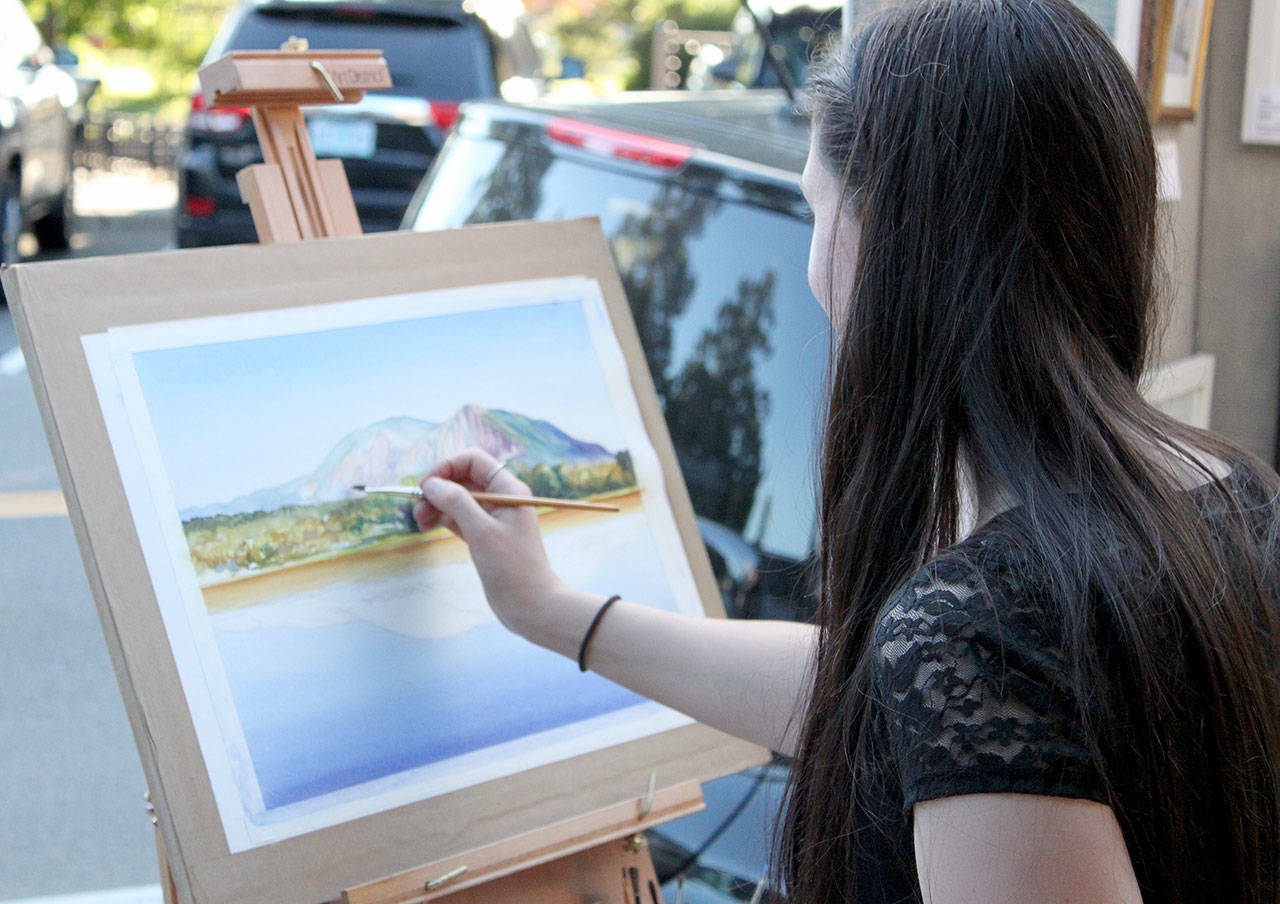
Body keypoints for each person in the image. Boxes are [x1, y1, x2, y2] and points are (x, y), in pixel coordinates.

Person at [411, 0, 1280, 900]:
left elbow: (951, 676)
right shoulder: (1230, 494)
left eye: (815, 210)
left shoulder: (985, 621)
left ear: (890, 246)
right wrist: (553, 611)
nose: (813, 262)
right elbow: (881, 697)